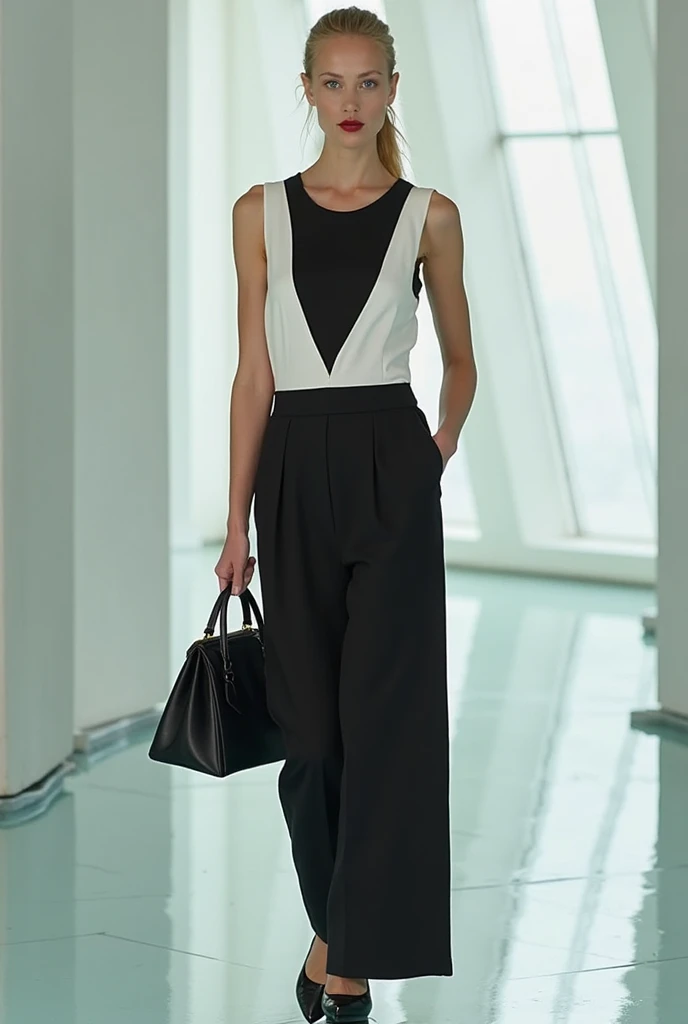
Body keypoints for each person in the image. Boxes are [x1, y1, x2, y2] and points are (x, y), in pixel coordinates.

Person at [215, 7, 477, 1022]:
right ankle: (334, 926)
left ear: (393, 89)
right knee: (313, 736)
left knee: (390, 728)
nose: (351, 103)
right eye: (334, 83)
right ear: (307, 88)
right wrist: (233, 523)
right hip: (292, 466)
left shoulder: (432, 217)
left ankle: (348, 954)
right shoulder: (259, 212)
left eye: (369, 83)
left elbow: (460, 365)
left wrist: (432, 457)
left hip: (390, 466)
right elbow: (251, 376)